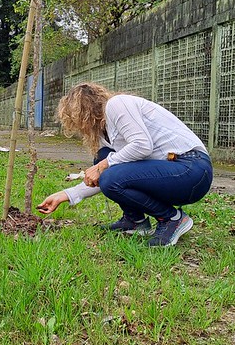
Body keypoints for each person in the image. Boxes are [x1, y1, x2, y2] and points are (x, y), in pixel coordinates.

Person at [36, 82, 213, 247]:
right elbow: (104, 178)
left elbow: (142, 146)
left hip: (191, 169)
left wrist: (103, 166)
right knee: (103, 158)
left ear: (85, 111)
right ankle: (135, 221)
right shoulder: (105, 134)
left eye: (76, 119)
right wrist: (65, 195)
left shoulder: (117, 104)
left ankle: (172, 219)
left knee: (107, 169)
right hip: (171, 172)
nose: (78, 127)